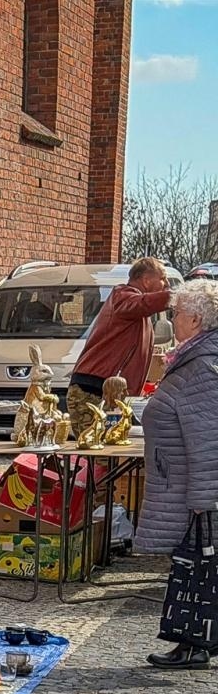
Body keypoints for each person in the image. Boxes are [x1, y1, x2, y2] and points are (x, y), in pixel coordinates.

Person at [134, 279, 218, 669]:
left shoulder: (202, 365)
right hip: (182, 483)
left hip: (192, 491)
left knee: (196, 568)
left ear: (196, 320)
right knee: (196, 566)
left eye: (177, 313)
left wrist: (204, 497)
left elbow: (208, 437)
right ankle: (197, 643)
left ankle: (194, 644)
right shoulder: (196, 357)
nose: (173, 319)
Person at [68, 257, 172, 438]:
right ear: (146, 280)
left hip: (107, 389)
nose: (166, 284)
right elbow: (143, 303)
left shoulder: (135, 309)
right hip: (95, 390)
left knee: (109, 446)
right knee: (97, 447)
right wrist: (177, 296)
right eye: (162, 278)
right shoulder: (122, 296)